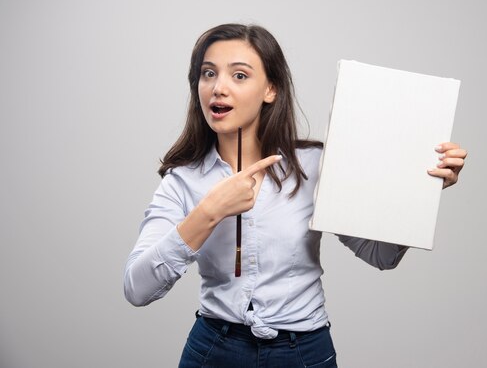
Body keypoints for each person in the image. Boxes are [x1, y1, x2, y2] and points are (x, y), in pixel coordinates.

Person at [124, 23, 467, 368]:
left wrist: (419, 190)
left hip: (303, 353)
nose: (218, 88)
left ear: (271, 89)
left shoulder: (315, 165)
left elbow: (381, 255)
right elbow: (137, 288)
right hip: (215, 351)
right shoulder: (181, 181)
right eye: (208, 74)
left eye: (239, 76)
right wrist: (209, 211)